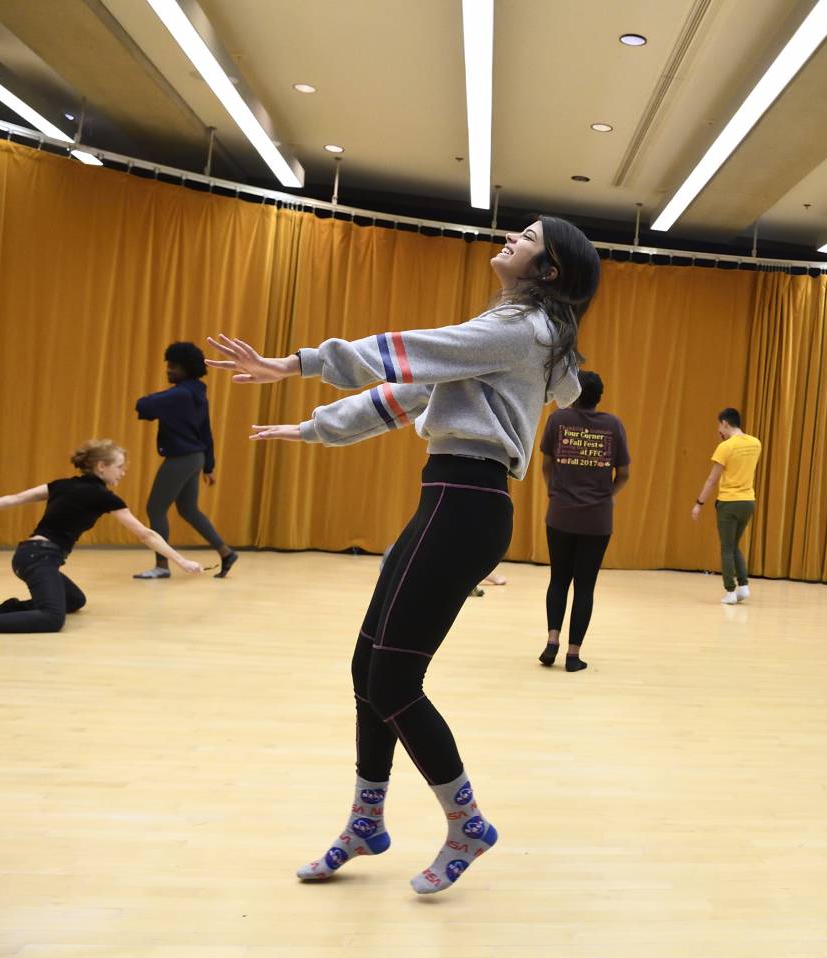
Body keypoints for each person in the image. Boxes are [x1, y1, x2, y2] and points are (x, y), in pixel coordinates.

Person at [206, 216, 598, 895]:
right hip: (446, 498)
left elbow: (405, 351)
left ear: (550, 268)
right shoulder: (507, 334)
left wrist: (295, 363)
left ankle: (467, 821)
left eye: (528, 235)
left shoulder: (520, 331)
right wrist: (315, 429)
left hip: (466, 506)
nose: (511, 236)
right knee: (368, 667)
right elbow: (406, 393)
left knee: (393, 683)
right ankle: (367, 819)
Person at [0, 439, 205, 632]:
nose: (123, 472)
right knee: (52, 618)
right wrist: (181, 560)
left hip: (30, 555)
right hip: (39, 559)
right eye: (119, 467)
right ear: (101, 466)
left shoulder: (62, 485)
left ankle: (4, 611)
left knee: (74, 600)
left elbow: (14, 498)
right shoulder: (104, 497)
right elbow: (146, 534)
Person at [538, 370, 630, 672]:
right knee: (585, 587)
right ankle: (573, 655)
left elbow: (547, 464)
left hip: (560, 514)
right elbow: (624, 474)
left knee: (558, 579)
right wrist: (608, 495)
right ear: (599, 397)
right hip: (597, 520)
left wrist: (554, 490)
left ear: (574, 393)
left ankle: (552, 640)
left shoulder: (558, 420)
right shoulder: (613, 425)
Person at [133, 341, 238, 579]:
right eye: (168, 365)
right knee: (188, 509)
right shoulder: (196, 392)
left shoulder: (179, 394)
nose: (169, 369)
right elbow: (206, 432)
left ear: (188, 368)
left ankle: (162, 566)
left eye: (175, 366)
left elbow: (144, 405)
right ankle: (225, 552)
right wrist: (208, 466)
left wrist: (156, 400)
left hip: (181, 458)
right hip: (196, 458)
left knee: (155, 508)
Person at [690, 407, 761, 604]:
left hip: (729, 502)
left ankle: (730, 591)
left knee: (726, 548)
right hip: (748, 501)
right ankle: (744, 586)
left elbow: (712, 480)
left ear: (724, 423)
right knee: (734, 545)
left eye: (719, 426)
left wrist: (699, 503)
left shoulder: (726, 447)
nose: (718, 431)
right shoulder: (756, 443)